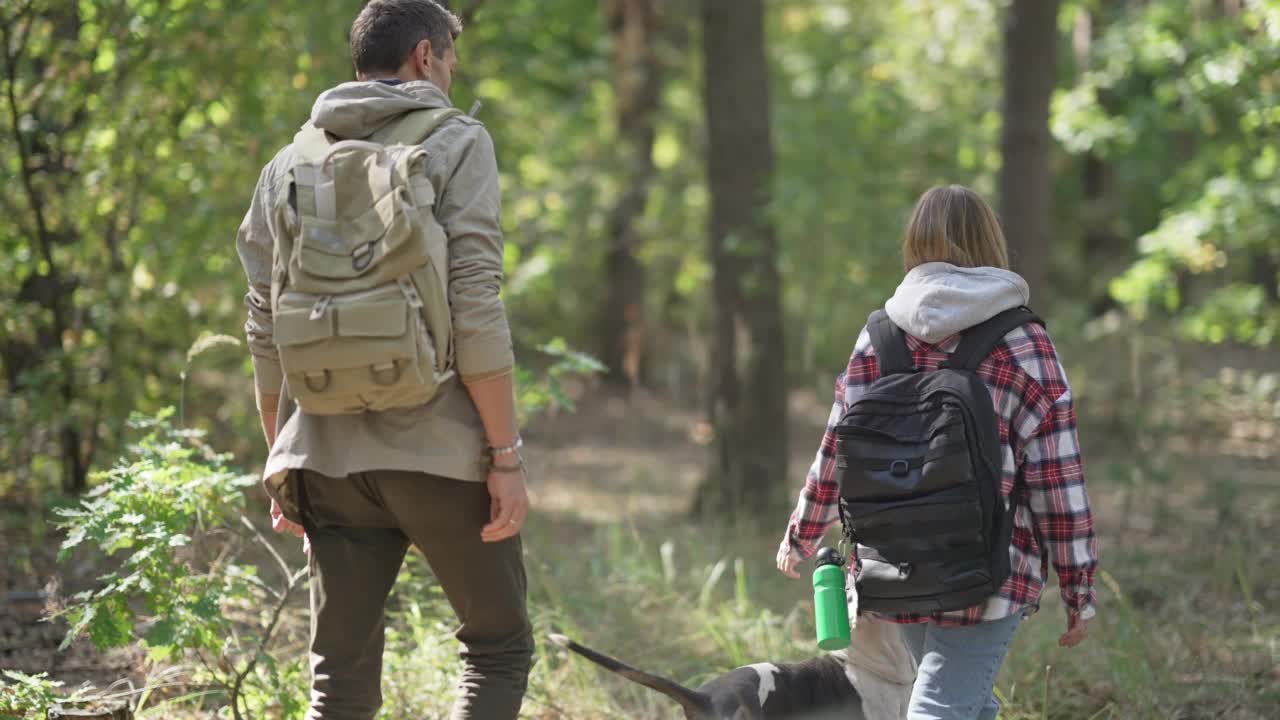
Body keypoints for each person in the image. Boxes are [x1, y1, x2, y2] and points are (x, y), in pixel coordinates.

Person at [234, 2, 533, 718]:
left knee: (338, 683)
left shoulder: (288, 164)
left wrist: (282, 458)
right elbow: (475, 306)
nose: (453, 74)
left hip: (326, 459)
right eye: (452, 59)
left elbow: (263, 326)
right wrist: (506, 456)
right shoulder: (458, 142)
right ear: (425, 57)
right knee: (497, 650)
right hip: (440, 452)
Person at [776, 185, 1099, 720]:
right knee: (944, 705)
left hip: (893, 567)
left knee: (965, 703)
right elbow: (1057, 482)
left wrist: (803, 532)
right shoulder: (1025, 343)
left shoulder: (879, 335)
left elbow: (837, 446)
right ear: (991, 243)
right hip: (987, 570)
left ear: (914, 243)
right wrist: (1078, 587)